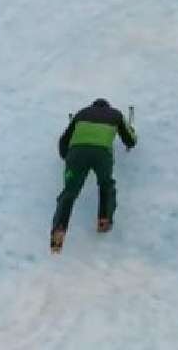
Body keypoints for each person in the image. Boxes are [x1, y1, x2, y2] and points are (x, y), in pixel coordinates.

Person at [51, 98, 137, 252]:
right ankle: (104, 218)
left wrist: (68, 158)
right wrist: (132, 138)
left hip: (76, 153)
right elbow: (130, 139)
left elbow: (63, 141)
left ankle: (58, 229)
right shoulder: (115, 114)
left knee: (69, 192)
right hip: (101, 153)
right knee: (106, 184)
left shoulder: (81, 114)